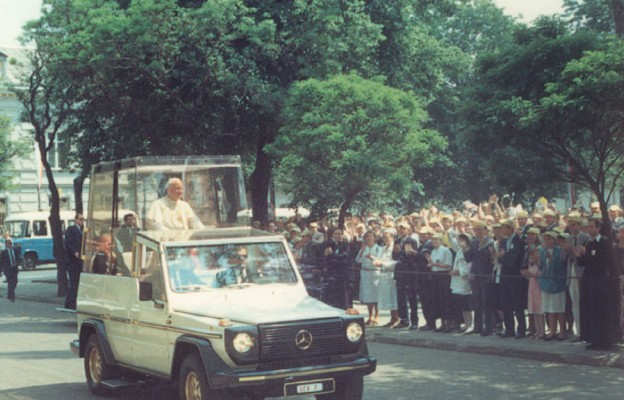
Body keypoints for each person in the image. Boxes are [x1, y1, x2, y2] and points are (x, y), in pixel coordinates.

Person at [579, 217, 619, 350]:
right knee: (592, 311)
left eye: (592, 227)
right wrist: (580, 255)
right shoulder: (588, 243)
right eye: (588, 227)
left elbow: (601, 263)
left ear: (598, 228)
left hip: (601, 282)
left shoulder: (604, 242)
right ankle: (594, 339)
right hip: (591, 282)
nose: (589, 229)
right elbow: (585, 263)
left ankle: (605, 341)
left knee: (602, 311)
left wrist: (588, 255)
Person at [464, 220, 496, 336]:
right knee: (477, 301)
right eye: (475, 230)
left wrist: (481, 248)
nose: (477, 232)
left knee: (486, 302)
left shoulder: (490, 242)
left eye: (480, 229)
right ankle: (477, 326)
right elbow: (469, 258)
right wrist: (465, 249)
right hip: (476, 275)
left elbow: (488, 258)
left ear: (485, 230)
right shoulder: (473, 242)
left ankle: (488, 327)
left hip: (486, 274)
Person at [497, 219, 526, 339]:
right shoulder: (503, 241)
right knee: (506, 303)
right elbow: (500, 259)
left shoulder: (518, 241)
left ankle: (521, 330)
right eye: (502, 229)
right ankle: (509, 329)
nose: (503, 231)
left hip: (515, 276)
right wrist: (503, 257)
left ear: (511, 229)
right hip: (505, 275)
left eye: (505, 228)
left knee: (518, 304)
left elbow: (515, 259)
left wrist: (505, 256)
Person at [392, 222, 423, 329]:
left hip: (409, 273)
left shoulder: (412, 241)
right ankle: (404, 319)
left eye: (403, 228)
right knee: (401, 297)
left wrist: (402, 252)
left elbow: (412, 256)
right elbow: (394, 257)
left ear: (408, 230)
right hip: (400, 273)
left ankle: (414, 321)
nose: (401, 230)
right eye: (400, 228)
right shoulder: (397, 241)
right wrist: (396, 252)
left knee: (412, 297)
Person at [538, 231, 568, 341]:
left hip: (557, 283)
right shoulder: (542, 251)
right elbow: (541, 267)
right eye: (545, 239)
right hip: (546, 283)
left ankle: (562, 332)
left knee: (559, 308)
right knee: (550, 309)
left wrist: (551, 260)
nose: (546, 241)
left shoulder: (559, 251)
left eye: (549, 239)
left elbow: (561, 266)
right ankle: (552, 331)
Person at [320, 227, 352, 309]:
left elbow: (344, 257)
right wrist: (325, 255)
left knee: (343, 298)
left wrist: (332, 254)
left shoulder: (346, 245)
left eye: (339, 234)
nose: (337, 236)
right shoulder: (327, 244)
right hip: (330, 275)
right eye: (335, 234)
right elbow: (323, 260)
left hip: (342, 275)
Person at [373, 228, 399, 327]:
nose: (385, 240)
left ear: (392, 238)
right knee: (387, 298)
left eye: (387, 238)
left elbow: (395, 262)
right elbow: (379, 258)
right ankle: (392, 318)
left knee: (393, 297)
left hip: (391, 275)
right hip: (383, 275)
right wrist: (375, 261)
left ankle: (397, 317)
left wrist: (383, 264)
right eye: (384, 238)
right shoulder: (383, 248)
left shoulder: (395, 248)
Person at [356, 231, 381, 326]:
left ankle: (377, 315)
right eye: (367, 237)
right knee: (367, 296)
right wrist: (362, 251)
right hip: (365, 274)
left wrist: (371, 257)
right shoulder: (364, 248)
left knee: (375, 296)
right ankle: (370, 316)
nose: (369, 238)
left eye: (370, 236)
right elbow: (358, 260)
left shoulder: (379, 248)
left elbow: (380, 261)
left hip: (375, 274)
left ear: (374, 238)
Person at [449, 233, 473, 333]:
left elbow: (468, 265)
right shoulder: (459, 250)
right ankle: (466, 324)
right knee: (461, 305)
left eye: (461, 240)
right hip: (457, 281)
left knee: (466, 304)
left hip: (464, 280)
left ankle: (470, 324)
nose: (459, 242)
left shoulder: (468, 251)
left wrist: (458, 272)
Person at [64, 213, 84, 309]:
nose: (82, 221)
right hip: (72, 261)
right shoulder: (71, 229)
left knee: (77, 282)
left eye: (83, 219)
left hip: (81, 260)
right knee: (74, 282)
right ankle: (71, 304)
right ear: (75, 220)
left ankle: (71, 302)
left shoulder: (83, 230)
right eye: (80, 219)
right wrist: (75, 252)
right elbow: (69, 243)